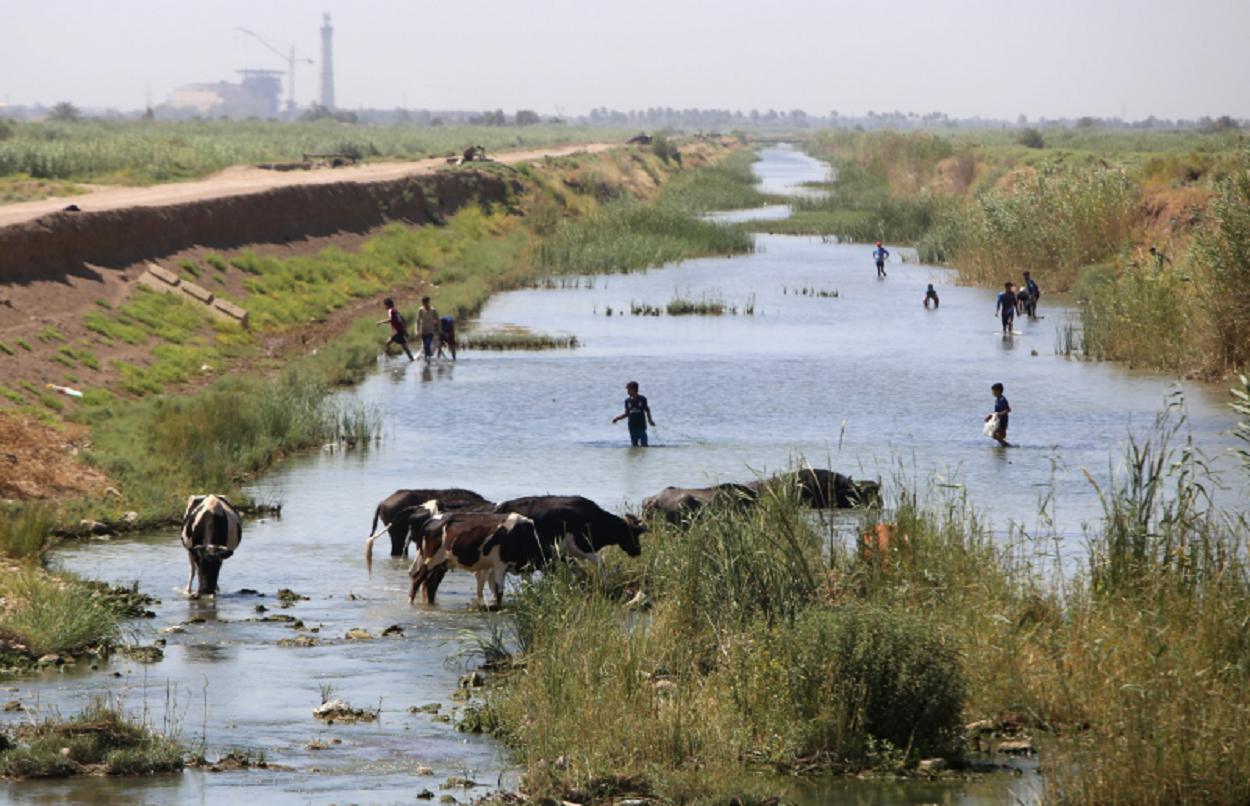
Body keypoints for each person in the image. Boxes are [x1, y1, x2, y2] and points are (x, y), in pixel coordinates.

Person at [611, 381, 656, 447]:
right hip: (632, 426)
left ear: (634, 389)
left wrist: (650, 420)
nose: (628, 391)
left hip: (641, 426)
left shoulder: (642, 399)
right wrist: (617, 418)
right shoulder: (627, 401)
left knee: (644, 444)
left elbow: (647, 410)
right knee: (634, 446)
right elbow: (627, 413)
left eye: (629, 389)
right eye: (627, 390)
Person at [985, 383, 1012, 447]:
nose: (992, 392)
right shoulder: (997, 399)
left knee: (996, 434)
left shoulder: (1002, 399)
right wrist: (990, 416)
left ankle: (1006, 445)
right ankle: (1003, 446)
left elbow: (1008, 410)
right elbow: (996, 411)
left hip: (1003, 420)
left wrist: (1001, 414)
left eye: (993, 390)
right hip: (997, 420)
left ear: (998, 390)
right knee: (993, 433)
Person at [415, 296, 440, 361]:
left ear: (428, 302)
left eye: (425, 302)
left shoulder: (433, 310)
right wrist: (416, 331)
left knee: (427, 344)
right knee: (425, 346)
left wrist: (440, 330)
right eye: (423, 303)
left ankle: (428, 358)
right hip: (423, 330)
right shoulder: (420, 310)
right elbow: (417, 320)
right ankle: (427, 358)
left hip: (431, 330)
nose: (424, 304)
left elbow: (438, 320)